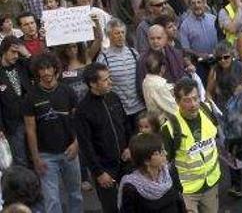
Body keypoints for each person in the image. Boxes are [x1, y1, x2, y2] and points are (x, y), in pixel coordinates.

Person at [23, 52, 83, 213]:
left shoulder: (68, 92)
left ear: (55, 69)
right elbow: (30, 129)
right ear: (37, 72)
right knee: (52, 200)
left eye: (49, 68)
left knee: (75, 195)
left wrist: (77, 144)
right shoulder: (31, 97)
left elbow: (78, 121)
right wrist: (35, 157)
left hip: (70, 151)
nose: (46, 73)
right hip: (45, 156)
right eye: (42, 69)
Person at [75, 62, 134, 213]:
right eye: (106, 80)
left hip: (125, 162)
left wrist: (129, 146)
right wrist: (99, 173)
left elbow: (126, 124)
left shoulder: (114, 97)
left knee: (132, 204)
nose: (110, 82)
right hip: (105, 169)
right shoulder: (83, 110)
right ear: (92, 84)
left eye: (110, 78)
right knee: (111, 207)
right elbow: (86, 146)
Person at [161, 78, 221, 213]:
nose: (193, 104)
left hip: (211, 184)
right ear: (177, 101)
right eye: (187, 100)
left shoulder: (208, 110)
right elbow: (165, 161)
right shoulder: (169, 128)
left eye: (195, 98)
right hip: (187, 191)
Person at [206, 43, 242, 198]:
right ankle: (236, 185)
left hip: (241, 115)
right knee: (230, 151)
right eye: (219, 58)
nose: (223, 60)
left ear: (232, 55)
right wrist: (212, 106)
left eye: (226, 57)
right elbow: (208, 93)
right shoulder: (215, 71)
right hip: (225, 117)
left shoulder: (240, 67)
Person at [95, 19, 145, 128]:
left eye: (123, 32)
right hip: (119, 111)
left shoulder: (133, 53)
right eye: (117, 33)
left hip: (139, 108)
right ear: (109, 35)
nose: (120, 36)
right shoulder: (103, 58)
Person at [119, 132, 187, 212]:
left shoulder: (170, 171)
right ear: (146, 160)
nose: (165, 153)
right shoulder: (131, 187)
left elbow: (179, 200)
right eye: (159, 153)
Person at [0, 37, 32, 166]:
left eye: (18, 52)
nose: (16, 55)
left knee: (36, 154)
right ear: (3, 51)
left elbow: (39, 69)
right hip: (12, 123)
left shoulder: (23, 64)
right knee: (20, 158)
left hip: (30, 117)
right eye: (13, 52)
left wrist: (28, 54)